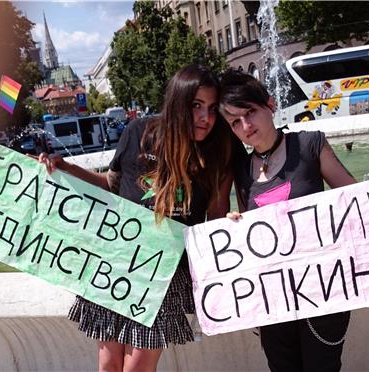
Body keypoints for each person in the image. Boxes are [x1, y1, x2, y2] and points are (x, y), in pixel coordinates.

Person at [218, 69, 369, 372]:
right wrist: (236, 222)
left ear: (269, 104)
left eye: (250, 112)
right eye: (235, 121)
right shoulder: (241, 169)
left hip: (323, 293)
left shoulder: (310, 145)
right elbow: (249, 232)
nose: (245, 125)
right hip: (274, 301)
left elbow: (357, 198)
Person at [38, 64, 241, 372]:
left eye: (212, 109)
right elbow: (111, 185)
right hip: (117, 260)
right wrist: (64, 167)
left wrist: (234, 225)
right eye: (196, 106)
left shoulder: (218, 151)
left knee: (138, 369)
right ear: (177, 103)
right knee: (108, 365)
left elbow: (215, 215)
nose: (206, 118)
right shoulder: (139, 133)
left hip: (165, 271)